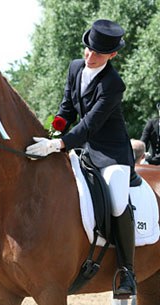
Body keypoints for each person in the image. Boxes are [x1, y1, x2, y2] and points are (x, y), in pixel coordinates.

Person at [26, 19, 136, 298]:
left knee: (117, 200)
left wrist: (59, 144)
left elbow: (91, 124)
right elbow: (66, 109)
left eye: (97, 54)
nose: (89, 56)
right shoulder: (76, 66)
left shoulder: (114, 84)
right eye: (87, 49)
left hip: (111, 153)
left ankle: (127, 271)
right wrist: (55, 128)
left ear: (112, 55)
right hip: (81, 147)